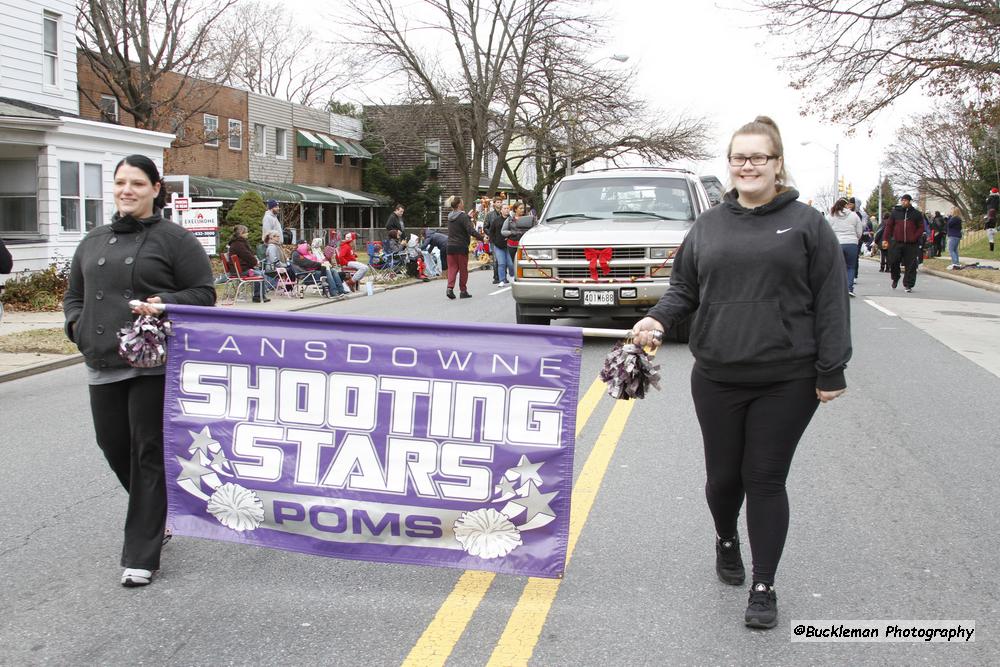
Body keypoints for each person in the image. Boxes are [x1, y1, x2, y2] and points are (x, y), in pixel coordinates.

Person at [631, 116, 850, 630]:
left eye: (758, 157)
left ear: (777, 165)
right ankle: (726, 539)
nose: (747, 165)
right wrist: (656, 318)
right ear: (729, 165)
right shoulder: (708, 225)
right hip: (717, 375)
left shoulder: (806, 224)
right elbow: (685, 288)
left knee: (765, 478)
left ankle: (764, 584)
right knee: (723, 479)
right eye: (739, 157)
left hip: (788, 377)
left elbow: (830, 301)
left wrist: (831, 368)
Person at [63, 154, 216, 588]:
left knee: (147, 450)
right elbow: (74, 294)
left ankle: (141, 555)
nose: (126, 190)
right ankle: (158, 512)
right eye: (120, 183)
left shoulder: (174, 239)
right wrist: (75, 326)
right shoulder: (93, 240)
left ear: (155, 188)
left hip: (153, 362)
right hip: (102, 359)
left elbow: (203, 293)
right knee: (112, 445)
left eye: (136, 183)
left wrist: (164, 302)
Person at [444, 195, 483, 299]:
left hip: (450, 246)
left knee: (452, 268)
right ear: (459, 204)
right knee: (463, 270)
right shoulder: (463, 216)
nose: (463, 204)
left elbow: (459, 224)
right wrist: (482, 238)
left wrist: (468, 217)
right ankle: (463, 291)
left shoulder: (450, 216)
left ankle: (450, 288)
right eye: (462, 202)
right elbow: (470, 230)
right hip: (461, 246)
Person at [885, 194, 925, 292]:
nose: (904, 202)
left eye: (906, 200)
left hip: (911, 243)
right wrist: (885, 239)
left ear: (910, 202)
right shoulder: (895, 213)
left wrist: (915, 236)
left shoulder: (916, 214)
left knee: (910, 264)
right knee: (894, 261)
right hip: (897, 242)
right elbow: (889, 226)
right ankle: (895, 278)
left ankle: (908, 284)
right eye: (902, 200)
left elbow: (921, 227)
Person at [826, 197, 864, 296]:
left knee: (835, 267)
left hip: (836, 243)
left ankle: (835, 288)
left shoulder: (831, 215)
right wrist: (856, 238)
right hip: (851, 243)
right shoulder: (854, 215)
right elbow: (859, 231)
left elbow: (825, 229)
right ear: (846, 205)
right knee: (851, 267)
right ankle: (849, 288)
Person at [228, 224, 269, 302]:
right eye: (246, 232)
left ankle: (260, 295)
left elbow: (248, 255)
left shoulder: (237, 243)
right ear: (241, 233)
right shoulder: (239, 244)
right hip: (241, 271)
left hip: (240, 269)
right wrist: (255, 262)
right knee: (260, 274)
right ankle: (258, 296)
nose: (248, 234)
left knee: (260, 273)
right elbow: (247, 256)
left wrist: (254, 262)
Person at [484, 197, 506, 284]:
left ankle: (503, 276)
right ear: (494, 203)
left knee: (504, 258)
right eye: (497, 202)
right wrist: (491, 234)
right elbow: (485, 227)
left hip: (504, 239)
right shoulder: (490, 215)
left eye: (500, 202)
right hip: (494, 240)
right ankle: (496, 277)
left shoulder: (505, 213)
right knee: (496, 258)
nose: (499, 203)